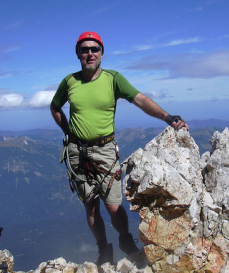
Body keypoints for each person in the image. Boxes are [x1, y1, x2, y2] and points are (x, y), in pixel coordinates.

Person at [50, 31, 188, 265]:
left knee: (114, 207)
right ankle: (104, 249)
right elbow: (55, 107)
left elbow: (140, 99)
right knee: (91, 208)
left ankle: (125, 239)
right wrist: (69, 133)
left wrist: (167, 117)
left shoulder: (113, 79)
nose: (90, 53)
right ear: (78, 54)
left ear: (102, 54)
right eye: (85, 49)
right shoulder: (69, 82)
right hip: (78, 154)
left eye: (94, 49)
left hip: (104, 152)